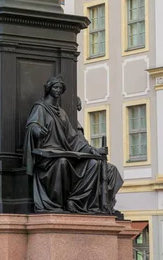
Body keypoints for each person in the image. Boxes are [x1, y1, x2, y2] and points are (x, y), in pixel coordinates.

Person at [23, 75, 123, 214]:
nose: (58, 90)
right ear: (48, 89)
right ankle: (56, 203)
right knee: (62, 162)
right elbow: (32, 124)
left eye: (60, 88)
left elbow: (73, 139)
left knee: (93, 164)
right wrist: (38, 131)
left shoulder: (62, 114)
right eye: (55, 87)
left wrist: (93, 150)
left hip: (63, 152)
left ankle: (76, 202)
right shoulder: (40, 108)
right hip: (47, 156)